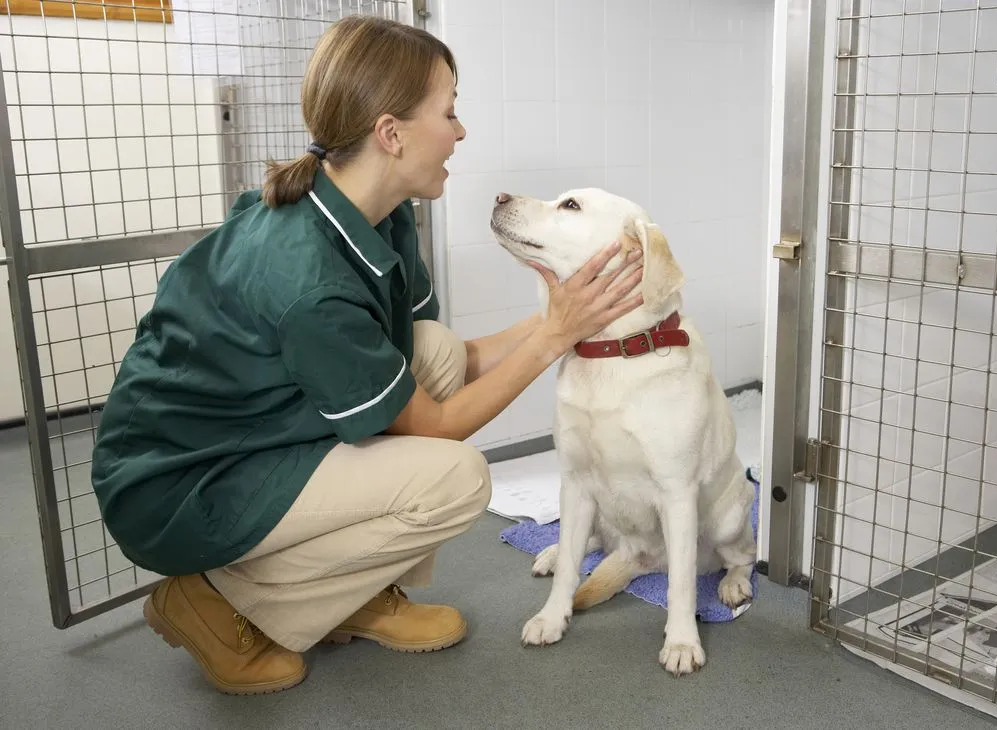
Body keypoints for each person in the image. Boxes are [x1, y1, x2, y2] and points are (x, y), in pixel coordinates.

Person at [90, 15, 644, 695]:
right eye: (450, 111)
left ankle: (357, 592)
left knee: (431, 351)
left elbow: (452, 364)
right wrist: (556, 337)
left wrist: (559, 317)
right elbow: (436, 428)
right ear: (392, 134)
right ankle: (213, 601)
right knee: (456, 478)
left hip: (251, 432)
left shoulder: (378, 210)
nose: (461, 130)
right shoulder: (309, 278)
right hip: (178, 485)